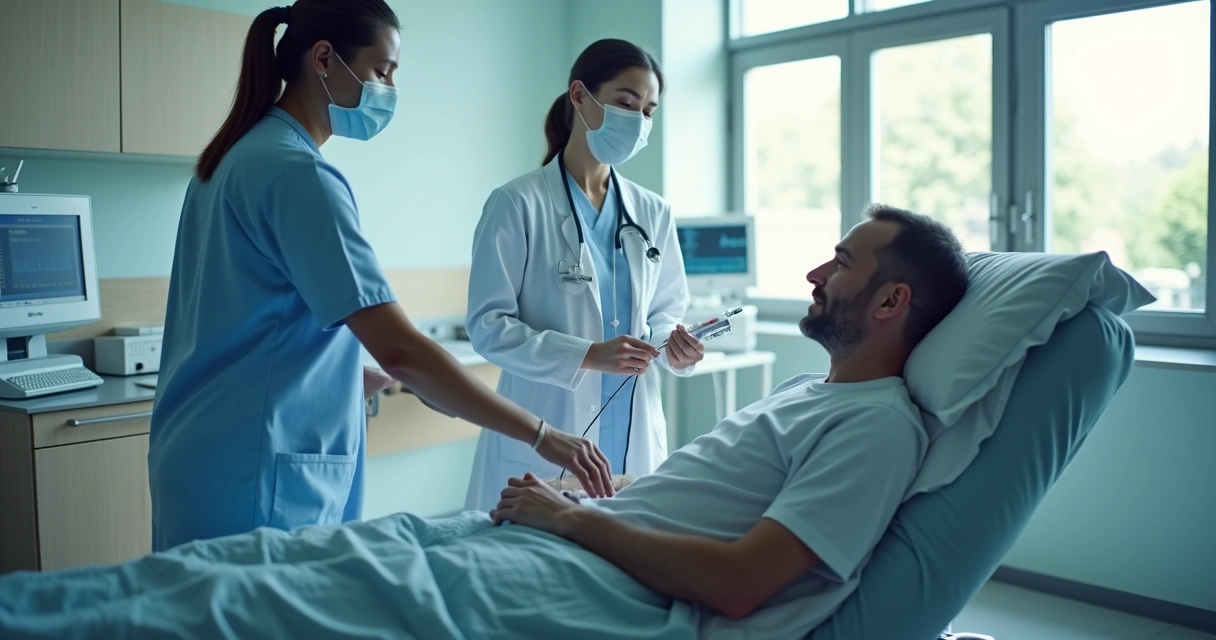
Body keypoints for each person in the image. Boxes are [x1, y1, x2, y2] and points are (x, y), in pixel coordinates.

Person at [0, 206, 969, 639]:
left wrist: (574, 520)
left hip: (588, 578)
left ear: (892, 302)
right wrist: (591, 501)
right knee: (258, 562)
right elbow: (705, 502)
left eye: (841, 262)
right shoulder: (807, 394)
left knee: (258, 607)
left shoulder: (876, 427)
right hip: (560, 535)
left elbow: (741, 584)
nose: (814, 272)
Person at [148, 0, 613, 553]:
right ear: (324, 59)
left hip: (203, 454)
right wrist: (543, 435)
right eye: (382, 71)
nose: (389, 89)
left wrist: (340, 374)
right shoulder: (298, 174)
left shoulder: (234, 159)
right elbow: (402, 352)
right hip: (258, 467)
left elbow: (251, 318)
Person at [464, 39, 705, 512]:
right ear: (579, 96)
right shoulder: (517, 203)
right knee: (534, 554)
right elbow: (488, 327)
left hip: (632, 434)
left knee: (625, 548)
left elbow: (665, 311)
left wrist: (675, 345)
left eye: (648, 111)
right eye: (626, 103)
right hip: (547, 430)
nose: (638, 121)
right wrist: (589, 355)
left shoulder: (652, 211)